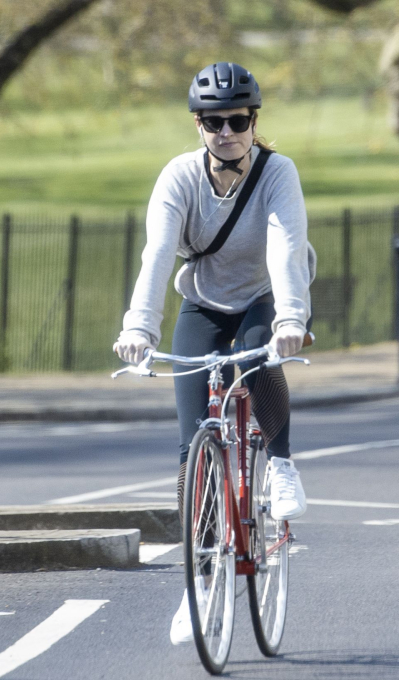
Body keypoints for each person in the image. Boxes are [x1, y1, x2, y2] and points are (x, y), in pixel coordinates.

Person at [113, 61, 316, 645]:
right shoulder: (178, 177)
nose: (225, 132)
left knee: (257, 357)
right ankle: (198, 584)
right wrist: (139, 329)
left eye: (236, 120)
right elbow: (157, 255)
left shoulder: (279, 173)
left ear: (254, 122)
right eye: (211, 121)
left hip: (266, 299)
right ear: (198, 125)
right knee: (190, 443)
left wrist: (291, 320)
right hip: (202, 304)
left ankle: (279, 463)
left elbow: (285, 245)